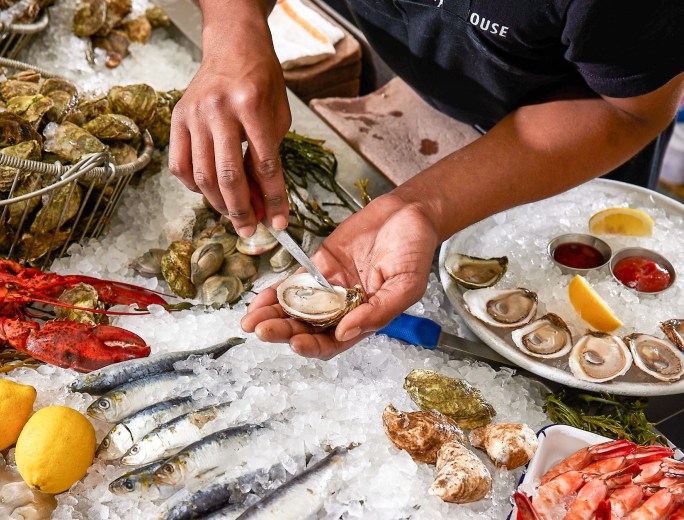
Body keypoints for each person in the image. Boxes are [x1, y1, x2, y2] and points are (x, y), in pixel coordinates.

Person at [168, 0, 684, 360]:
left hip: (575, 143)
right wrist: (234, 32)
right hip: (432, 87)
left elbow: (626, 112)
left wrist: (423, 205)